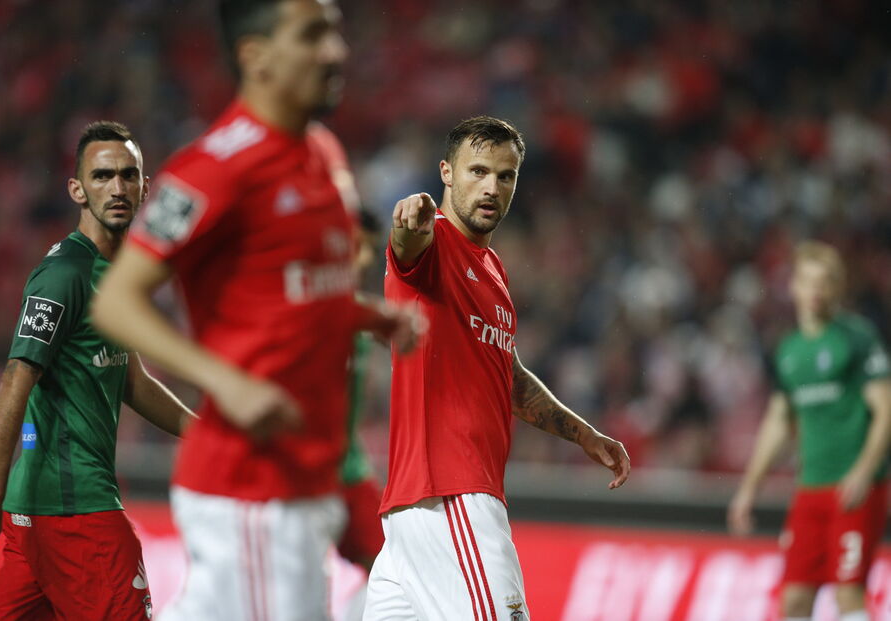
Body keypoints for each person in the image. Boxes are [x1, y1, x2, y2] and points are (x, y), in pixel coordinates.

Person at [90, 2, 419, 620]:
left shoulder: (323, 152)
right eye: (312, 35)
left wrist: (369, 316)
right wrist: (226, 382)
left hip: (308, 476)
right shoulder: (215, 167)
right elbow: (116, 300)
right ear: (255, 56)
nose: (335, 51)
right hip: (254, 485)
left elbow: (294, 291)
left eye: (337, 33)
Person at [363, 116, 632, 620]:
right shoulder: (436, 241)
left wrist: (584, 435)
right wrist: (407, 224)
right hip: (452, 497)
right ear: (446, 172)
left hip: (412, 514)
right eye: (478, 171)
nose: (492, 187)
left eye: (505, 176)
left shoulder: (492, 268)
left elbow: (506, 373)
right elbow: (406, 249)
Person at [0, 121, 195, 620]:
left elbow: (132, 382)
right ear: (77, 189)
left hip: (40, 518)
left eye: (128, 176)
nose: (117, 187)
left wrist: (204, 434)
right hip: (77, 514)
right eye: (103, 175)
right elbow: (14, 381)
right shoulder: (64, 274)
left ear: (145, 187)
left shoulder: (114, 276)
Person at [728, 241, 891, 621]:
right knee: (795, 601)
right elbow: (777, 422)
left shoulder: (857, 338)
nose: (816, 291)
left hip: (854, 488)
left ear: (837, 288)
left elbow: (886, 410)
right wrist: (748, 489)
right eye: (808, 281)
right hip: (810, 489)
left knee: (848, 595)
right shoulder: (789, 351)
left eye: (825, 282)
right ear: (793, 287)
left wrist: (865, 471)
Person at [338, 208, 388, 621]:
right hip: (295, 474)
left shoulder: (359, 313)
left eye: (370, 250)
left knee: (391, 572)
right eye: (357, 246)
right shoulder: (299, 305)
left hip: (347, 470)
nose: (365, 259)